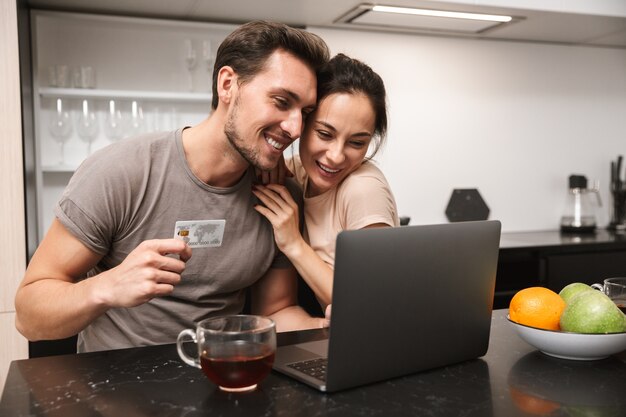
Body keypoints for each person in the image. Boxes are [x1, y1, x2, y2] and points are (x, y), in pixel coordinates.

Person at [15, 21, 330, 353]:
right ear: (227, 85)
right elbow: (28, 315)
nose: (296, 128)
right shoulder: (122, 172)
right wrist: (107, 287)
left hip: (220, 379)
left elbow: (275, 311)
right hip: (114, 390)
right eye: (281, 101)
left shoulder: (280, 198)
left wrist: (326, 327)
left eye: (305, 112)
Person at [252, 53, 399, 309]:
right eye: (324, 134)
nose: (336, 156)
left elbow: (373, 304)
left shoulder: (362, 189)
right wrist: (270, 158)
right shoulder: (295, 171)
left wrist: (294, 243)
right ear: (302, 122)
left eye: (357, 142)